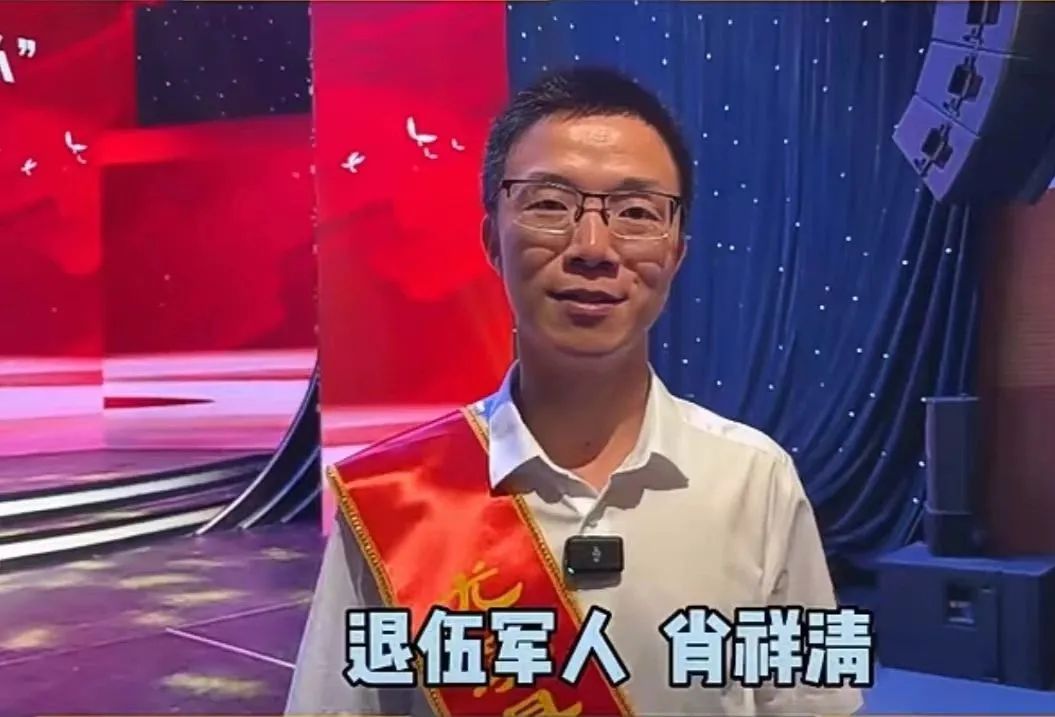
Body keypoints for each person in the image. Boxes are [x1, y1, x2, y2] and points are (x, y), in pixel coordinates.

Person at [286, 68, 862, 716]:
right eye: (550, 205)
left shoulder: (756, 482)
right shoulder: (395, 501)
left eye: (636, 212)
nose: (593, 247)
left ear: (676, 251)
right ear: (492, 239)